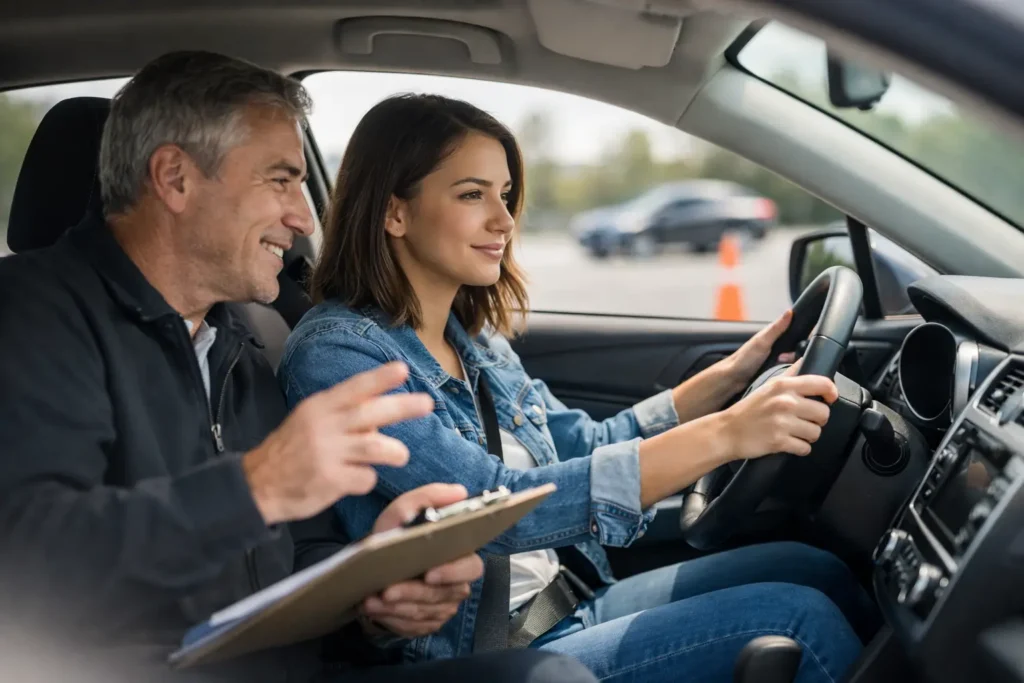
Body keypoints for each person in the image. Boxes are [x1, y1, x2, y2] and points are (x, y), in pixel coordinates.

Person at [0, 52, 598, 683]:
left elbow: (299, 554)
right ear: (175, 179)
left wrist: (374, 596)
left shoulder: (236, 343)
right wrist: (254, 488)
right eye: (281, 180)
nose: (304, 217)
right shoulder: (34, 317)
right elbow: (27, 565)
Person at [278, 93, 878, 683]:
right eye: (472, 194)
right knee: (800, 620)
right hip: (485, 655)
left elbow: (585, 443)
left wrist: (731, 379)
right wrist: (727, 434)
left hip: (569, 603)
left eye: (505, 195)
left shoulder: (472, 340)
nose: (503, 220)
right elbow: (492, 509)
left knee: (815, 570)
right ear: (395, 213)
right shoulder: (340, 355)